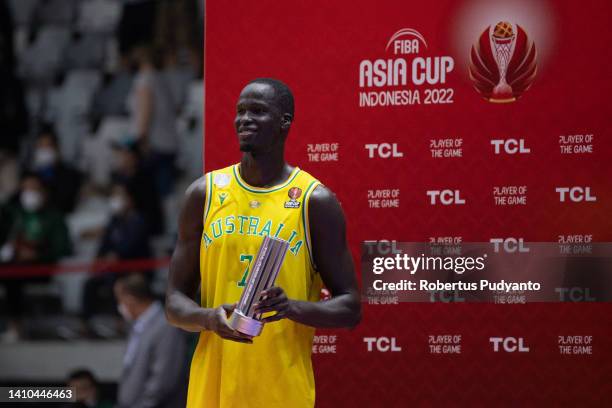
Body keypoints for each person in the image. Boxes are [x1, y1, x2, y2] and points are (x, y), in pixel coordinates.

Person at [165, 78, 361, 407]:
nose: (244, 119)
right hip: (211, 389)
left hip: (281, 390)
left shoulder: (315, 201)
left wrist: (292, 308)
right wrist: (210, 318)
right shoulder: (205, 194)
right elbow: (174, 303)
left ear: (285, 121)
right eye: (240, 111)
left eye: (257, 111)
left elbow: (351, 307)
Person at [0, 172, 72, 341]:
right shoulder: (14, 214)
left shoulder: (54, 216)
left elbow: (62, 248)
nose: (29, 193)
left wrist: (38, 254)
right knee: (11, 273)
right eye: (25, 188)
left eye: (34, 188)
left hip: (42, 268)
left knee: (13, 278)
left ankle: (15, 326)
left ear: (43, 192)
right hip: (14, 264)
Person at [114, 274, 188, 408]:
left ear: (130, 299)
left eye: (119, 300)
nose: (119, 306)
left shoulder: (165, 326)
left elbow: (163, 379)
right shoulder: (136, 325)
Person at [82, 182, 152, 321]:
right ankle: (86, 323)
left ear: (130, 199)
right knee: (90, 283)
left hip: (135, 268)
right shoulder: (114, 221)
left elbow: (131, 246)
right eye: (113, 195)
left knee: (115, 282)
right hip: (114, 268)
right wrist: (99, 258)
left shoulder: (138, 221)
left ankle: (119, 321)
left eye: (120, 195)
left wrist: (116, 255)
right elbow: (104, 244)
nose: (115, 199)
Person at [30, 126, 83, 213]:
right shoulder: (32, 175)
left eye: (47, 146)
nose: (44, 150)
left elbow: (66, 204)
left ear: (57, 149)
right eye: (40, 146)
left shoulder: (70, 175)